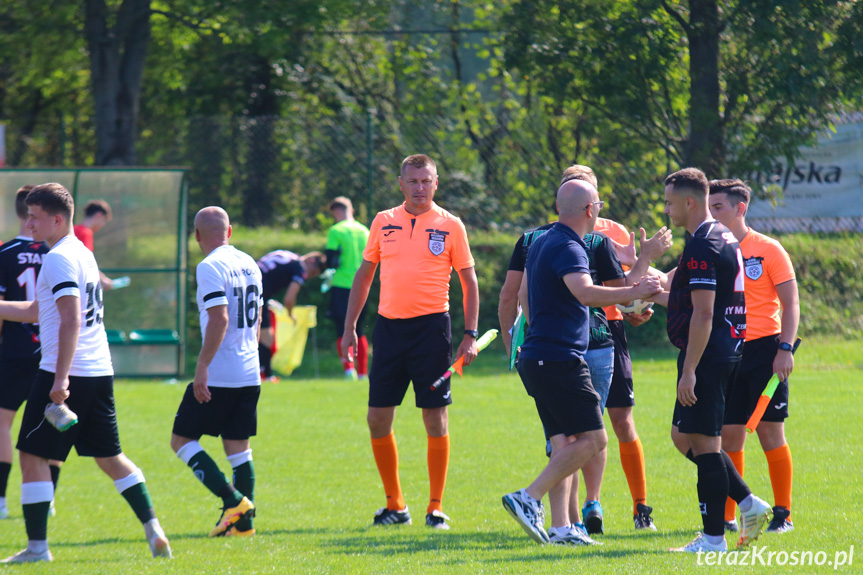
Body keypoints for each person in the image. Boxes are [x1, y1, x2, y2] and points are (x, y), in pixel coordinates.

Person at [0, 183, 171, 563]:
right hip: (98, 372)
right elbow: (37, 311)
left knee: (30, 455)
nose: (28, 223)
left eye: (35, 217)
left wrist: (60, 381)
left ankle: (37, 549)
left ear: (57, 219)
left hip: (66, 372)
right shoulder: (81, 253)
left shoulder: (59, 258)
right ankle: (153, 527)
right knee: (111, 458)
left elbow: (71, 319)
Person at [498, 165, 662, 538]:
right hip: (560, 359)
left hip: (537, 357)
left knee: (564, 443)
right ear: (590, 209)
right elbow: (586, 292)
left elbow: (521, 295)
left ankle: (561, 528)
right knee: (595, 439)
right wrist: (634, 292)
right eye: (599, 204)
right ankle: (528, 497)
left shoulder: (540, 241)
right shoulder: (570, 246)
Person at [340, 154, 479, 530]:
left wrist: (470, 334)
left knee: (434, 416)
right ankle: (395, 505)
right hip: (389, 331)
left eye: (426, 181)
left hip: (433, 332)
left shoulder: (451, 225)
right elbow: (365, 276)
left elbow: (468, 282)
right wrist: (350, 326)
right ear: (401, 183)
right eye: (413, 181)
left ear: (436, 183)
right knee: (377, 418)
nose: (420, 188)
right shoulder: (383, 222)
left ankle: (435, 508)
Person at [651, 167, 770, 553]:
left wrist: (689, 372)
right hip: (721, 350)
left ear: (688, 202)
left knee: (704, 445)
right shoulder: (720, 235)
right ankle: (749, 503)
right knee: (682, 437)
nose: (667, 210)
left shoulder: (703, 244)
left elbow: (704, 314)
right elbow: (696, 304)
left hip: (708, 356)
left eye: (670, 203)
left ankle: (714, 538)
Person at [708, 179, 799, 534]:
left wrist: (785, 348)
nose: (711, 214)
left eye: (717, 207)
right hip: (728, 351)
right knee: (729, 437)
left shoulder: (768, 249)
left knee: (770, 432)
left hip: (766, 351)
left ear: (739, 208)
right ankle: (733, 515)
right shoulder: (713, 249)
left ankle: (783, 514)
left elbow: (790, 303)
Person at [170, 207, 262, 538]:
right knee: (238, 447)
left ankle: (234, 502)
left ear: (196, 236)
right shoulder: (250, 262)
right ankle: (243, 527)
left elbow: (220, 318)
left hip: (222, 371)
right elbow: (259, 318)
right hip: (250, 369)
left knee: (181, 440)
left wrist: (202, 365)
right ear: (230, 231)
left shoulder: (209, 266)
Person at [0, 186, 50, 521]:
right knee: (51, 421)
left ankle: (1, 501)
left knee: (3, 422)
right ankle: (47, 496)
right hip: (52, 350)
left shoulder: (4, 253)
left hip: (16, 350)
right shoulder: (57, 252)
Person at [256, 250, 325, 380]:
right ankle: (265, 375)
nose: (310, 276)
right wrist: (290, 313)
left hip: (245, 288)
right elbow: (289, 298)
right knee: (266, 338)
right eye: (314, 272)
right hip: (257, 295)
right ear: (310, 261)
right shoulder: (300, 268)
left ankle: (261, 373)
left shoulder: (287, 255)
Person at [325, 197, 370, 380]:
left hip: (342, 285)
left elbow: (331, 260)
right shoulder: (364, 231)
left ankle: (348, 369)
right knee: (360, 329)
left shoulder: (336, 231)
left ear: (337, 211)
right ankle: (362, 373)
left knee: (342, 328)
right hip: (362, 285)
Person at [73, 199, 124, 291]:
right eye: (104, 220)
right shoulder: (85, 233)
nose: (103, 225)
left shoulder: (73, 229)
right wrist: (103, 280)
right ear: (98, 215)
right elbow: (86, 262)